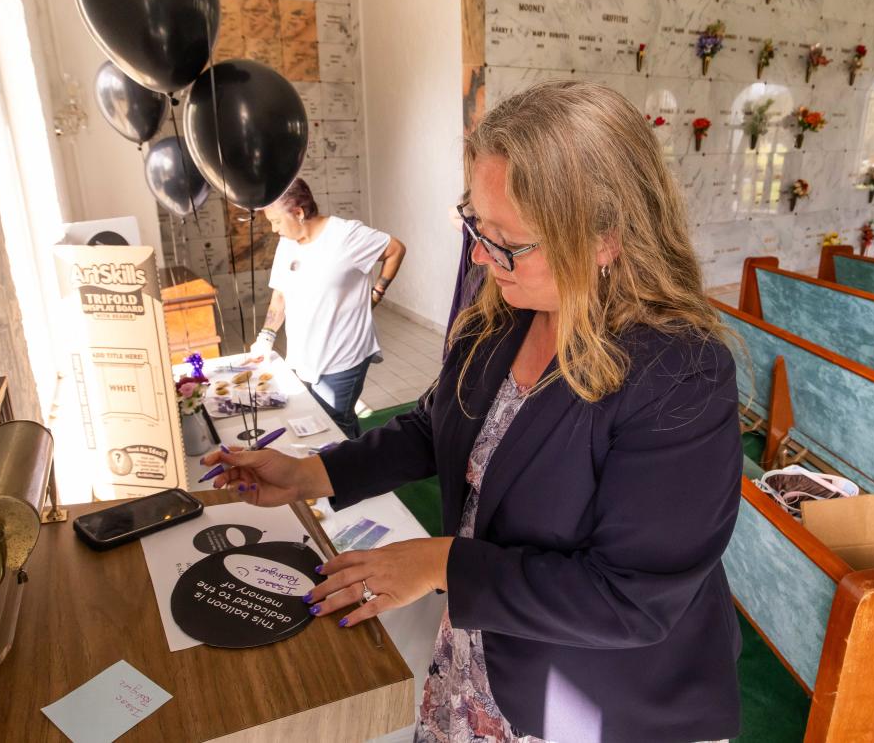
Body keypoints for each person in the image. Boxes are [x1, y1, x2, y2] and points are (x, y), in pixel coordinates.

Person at [206, 81, 743, 742]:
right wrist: (311, 474)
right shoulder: (503, 316)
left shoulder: (679, 375)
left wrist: (442, 564)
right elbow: (438, 425)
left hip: (592, 698)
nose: (482, 258)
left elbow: (631, 599)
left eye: (507, 242)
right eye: (474, 227)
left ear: (604, 240)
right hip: (484, 652)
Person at [250, 178, 406, 439]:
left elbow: (395, 249)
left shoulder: (346, 235)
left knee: (335, 420)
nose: (274, 229)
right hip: (305, 354)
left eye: (276, 221)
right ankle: (359, 460)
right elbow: (280, 294)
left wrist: (377, 293)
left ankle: (355, 474)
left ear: (298, 213)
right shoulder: (287, 243)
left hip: (344, 354)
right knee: (325, 417)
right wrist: (265, 337)